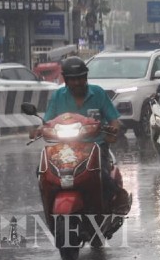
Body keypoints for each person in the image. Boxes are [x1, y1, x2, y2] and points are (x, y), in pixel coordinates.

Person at [37, 57, 128, 211]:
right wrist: (38, 130)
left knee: (103, 178)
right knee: (43, 173)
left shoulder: (98, 93)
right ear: (65, 80)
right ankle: (49, 207)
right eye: (72, 79)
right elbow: (47, 122)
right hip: (63, 149)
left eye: (80, 78)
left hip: (95, 146)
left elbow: (114, 120)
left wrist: (113, 130)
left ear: (86, 77)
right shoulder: (58, 96)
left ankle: (116, 200)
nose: (77, 82)